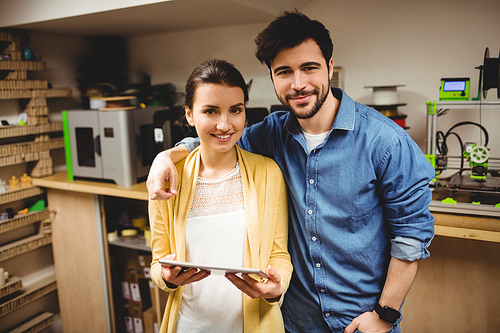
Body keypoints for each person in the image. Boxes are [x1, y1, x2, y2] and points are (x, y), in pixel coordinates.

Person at [147, 11, 435, 333]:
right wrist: (169, 155)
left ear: (329, 66)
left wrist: (384, 315)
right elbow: (219, 135)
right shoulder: (269, 135)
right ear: (272, 77)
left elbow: (411, 237)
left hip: (361, 322)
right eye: (284, 72)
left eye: (309, 68)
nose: (298, 84)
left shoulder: (386, 141)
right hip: (294, 321)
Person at [149, 59, 293, 333]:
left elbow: (278, 254)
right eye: (211, 111)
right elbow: (158, 264)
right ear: (190, 115)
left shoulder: (267, 173)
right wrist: (167, 278)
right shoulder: (167, 177)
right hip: (188, 325)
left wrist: (276, 287)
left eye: (235, 110)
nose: (224, 124)